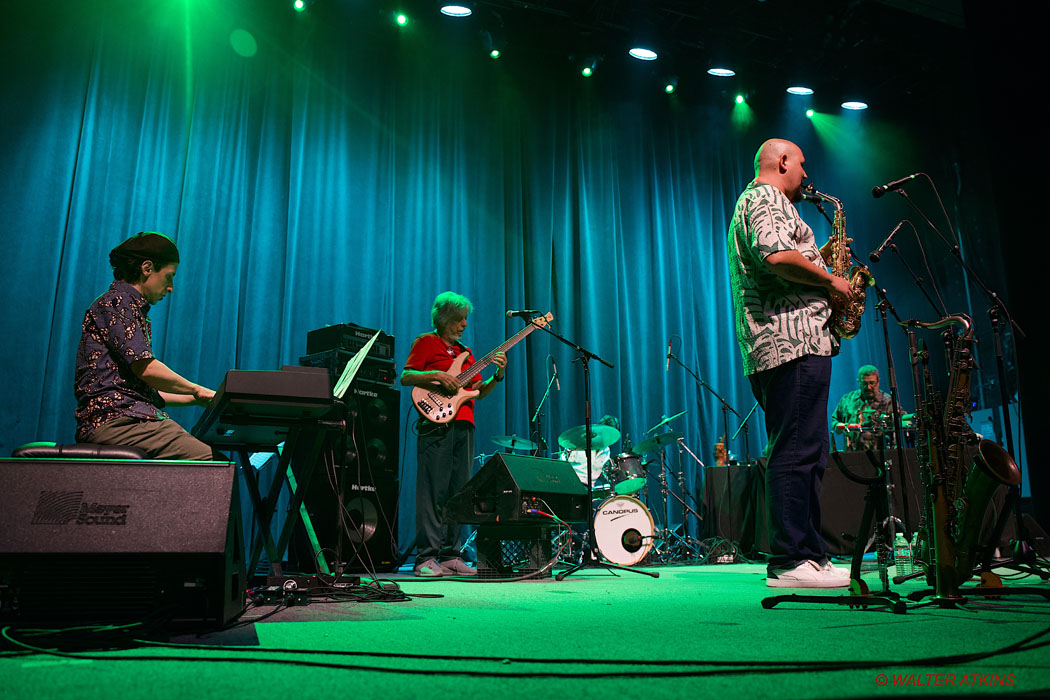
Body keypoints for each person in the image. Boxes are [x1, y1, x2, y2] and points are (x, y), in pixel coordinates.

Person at [727, 138, 853, 589]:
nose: (805, 174)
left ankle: (810, 555)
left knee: (810, 451)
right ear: (783, 161)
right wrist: (833, 279)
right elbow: (777, 257)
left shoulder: (771, 201)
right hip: (787, 343)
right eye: (801, 164)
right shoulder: (764, 197)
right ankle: (789, 559)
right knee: (796, 450)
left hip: (799, 343)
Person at [74, 232, 220, 460]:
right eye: (169, 277)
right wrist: (194, 388)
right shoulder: (117, 302)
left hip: (124, 417)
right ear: (147, 268)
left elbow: (143, 389)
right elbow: (146, 369)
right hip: (116, 420)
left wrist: (198, 398)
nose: (170, 287)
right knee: (210, 462)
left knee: (209, 463)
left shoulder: (126, 307)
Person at [401, 292, 507, 577]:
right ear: (444, 318)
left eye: (465, 319)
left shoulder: (467, 353)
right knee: (432, 492)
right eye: (460, 319)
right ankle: (425, 558)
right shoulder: (426, 342)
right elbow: (407, 376)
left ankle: (450, 555)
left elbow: (479, 393)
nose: (464, 324)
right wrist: (437, 376)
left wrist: (497, 376)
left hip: (464, 424)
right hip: (436, 423)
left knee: (459, 492)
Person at [833, 365, 897, 451]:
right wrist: (844, 426)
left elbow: (903, 421)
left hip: (881, 455)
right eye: (864, 383)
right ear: (858, 382)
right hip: (852, 455)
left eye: (871, 383)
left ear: (878, 381)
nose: (868, 387)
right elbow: (835, 422)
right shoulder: (847, 400)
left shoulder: (888, 402)